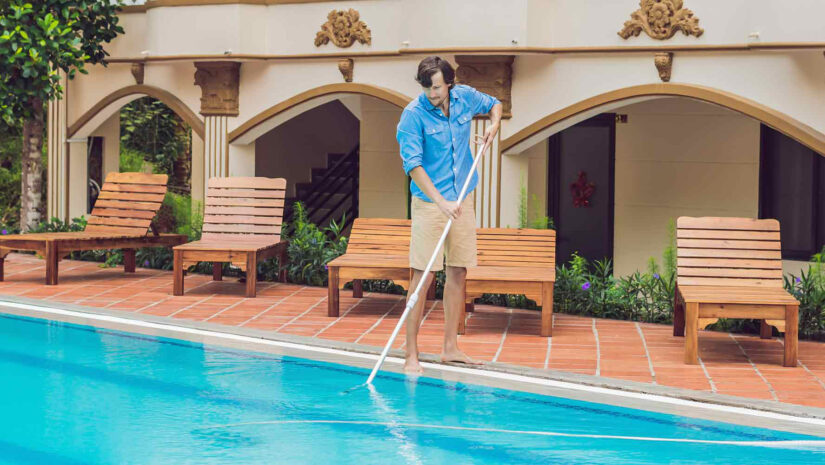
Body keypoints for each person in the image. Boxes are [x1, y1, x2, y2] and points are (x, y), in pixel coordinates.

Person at [396, 56, 503, 373]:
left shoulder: (465, 97)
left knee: (458, 272)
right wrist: (441, 201)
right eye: (427, 88)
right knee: (422, 276)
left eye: (438, 87)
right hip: (431, 204)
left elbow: (495, 103)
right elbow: (413, 166)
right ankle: (411, 353)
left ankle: (450, 348)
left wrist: (494, 125)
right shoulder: (412, 116)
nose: (433, 93)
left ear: (450, 83)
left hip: (463, 197)